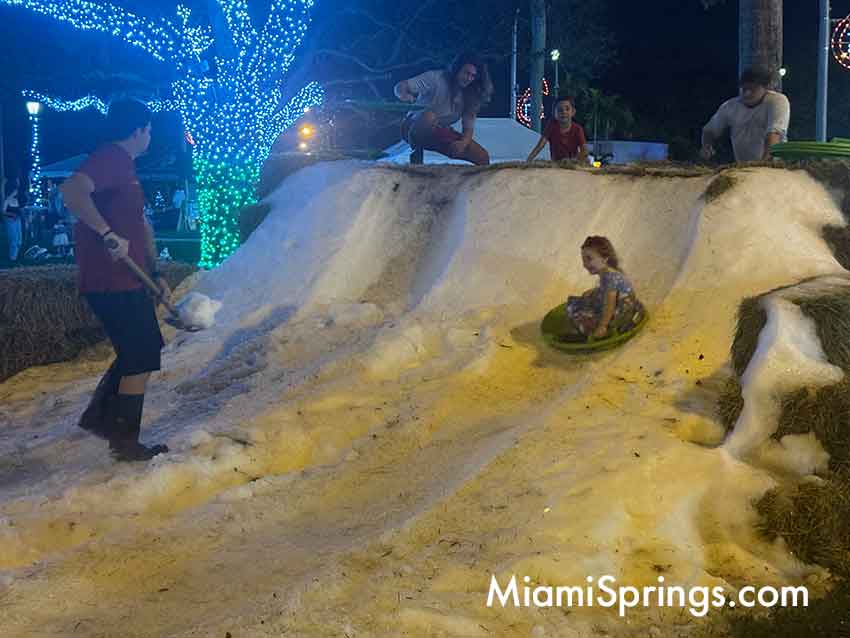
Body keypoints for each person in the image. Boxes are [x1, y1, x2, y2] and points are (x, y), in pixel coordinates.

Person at [61, 98, 170, 462]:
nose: (150, 136)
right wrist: (107, 234)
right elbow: (72, 191)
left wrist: (156, 272)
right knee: (141, 355)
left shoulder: (126, 167)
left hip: (130, 280)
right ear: (138, 130)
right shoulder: (110, 158)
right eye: (149, 129)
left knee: (139, 352)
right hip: (110, 281)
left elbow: (141, 226)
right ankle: (123, 439)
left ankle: (106, 421)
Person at [395, 52, 494, 165]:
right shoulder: (435, 78)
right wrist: (405, 96)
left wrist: (462, 143)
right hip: (412, 127)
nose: (469, 78)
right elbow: (400, 87)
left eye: (473, 76)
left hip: (438, 132)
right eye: (466, 73)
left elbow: (468, 128)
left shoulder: (471, 95)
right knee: (429, 116)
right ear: (457, 69)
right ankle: (415, 154)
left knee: (482, 157)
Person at [701, 67, 790, 163]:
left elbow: (775, 133)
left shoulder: (777, 101)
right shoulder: (730, 106)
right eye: (744, 89)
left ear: (766, 87)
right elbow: (709, 130)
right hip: (743, 166)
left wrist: (764, 163)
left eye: (752, 89)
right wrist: (706, 147)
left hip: (774, 165)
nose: (747, 93)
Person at [564, 236, 644, 340]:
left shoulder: (611, 277)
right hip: (617, 305)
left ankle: (593, 330)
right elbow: (607, 290)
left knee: (582, 315)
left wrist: (603, 326)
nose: (585, 264)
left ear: (605, 258)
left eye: (589, 259)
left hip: (621, 311)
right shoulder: (606, 274)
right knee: (586, 298)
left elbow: (610, 304)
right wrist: (594, 291)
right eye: (583, 260)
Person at [527, 96, 589, 162]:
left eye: (567, 109)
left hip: (572, 163)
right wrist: (529, 159)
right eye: (560, 110)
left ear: (573, 112)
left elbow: (584, 150)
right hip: (556, 164)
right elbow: (540, 145)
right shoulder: (552, 126)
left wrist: (576, 160)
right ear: (554, 113)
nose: (564, 112)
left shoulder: (577, 129)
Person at [3, 177, 23, 263]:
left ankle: (15, 257)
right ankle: (12, 259)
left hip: (17, 221)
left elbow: (19, 211)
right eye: (15, 190)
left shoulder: (16, 200)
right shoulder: (7, 200)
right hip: (10, 221)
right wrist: (11, 215)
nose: (16, 192)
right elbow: (3, 212)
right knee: (13, 240)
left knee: (19, 240)